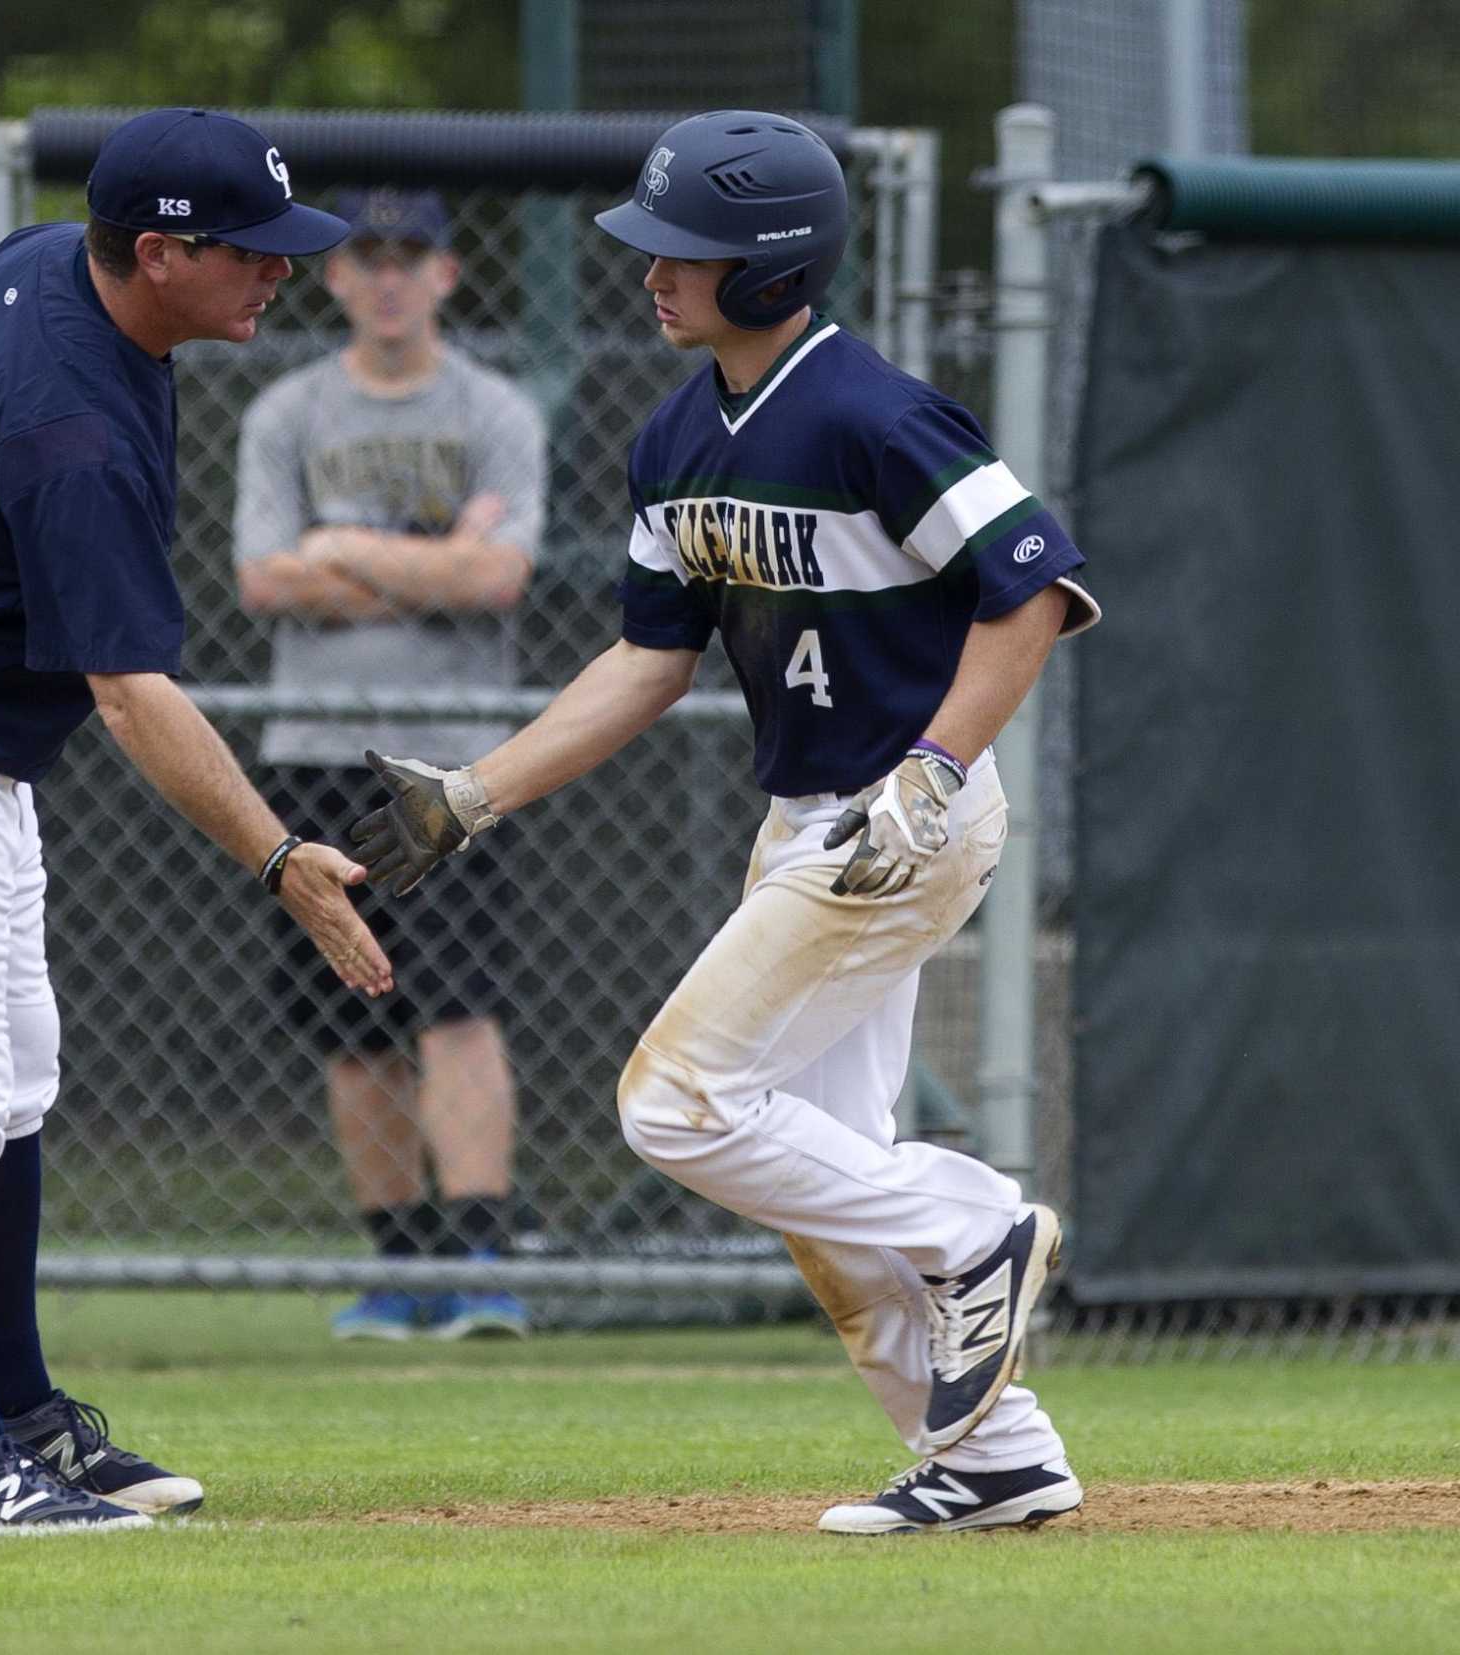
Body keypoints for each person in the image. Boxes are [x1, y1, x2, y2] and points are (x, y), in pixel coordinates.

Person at [350, 111, 1100, 1534]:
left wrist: (932, 764)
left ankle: (978, 1227)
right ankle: (997, 1456)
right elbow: (650, 660)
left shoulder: (874, 412)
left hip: (903, 813)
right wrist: (474, 790)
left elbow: (1035, 589)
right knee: (822, 1175)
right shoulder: (675, 436)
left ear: (770, 267)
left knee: (673, 1102)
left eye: (681, 250)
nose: (650, 273)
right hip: (804, 822)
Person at [0, 108, 390, 1531]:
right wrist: (281, 858)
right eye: (250, 251)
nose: (280, 273)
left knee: (15, 1076)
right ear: (158, 252)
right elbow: (131, 697)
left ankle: (18, 1412)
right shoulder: (70, 433)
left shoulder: (51, 253)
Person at [233, 188, 546, 1341]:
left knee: (456, 1006)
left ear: (445, 274)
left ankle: (479, 1260)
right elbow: (264, 578)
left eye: (409, 256)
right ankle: (400, 1266)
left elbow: (497, 578)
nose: (387, 278)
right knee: (351, 1016)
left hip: (450, 761)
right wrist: (432, 562)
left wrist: (341, 549)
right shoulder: (286, 411)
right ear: (333, 276)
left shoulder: (496, 408)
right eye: (365, 258)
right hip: (313, 749)